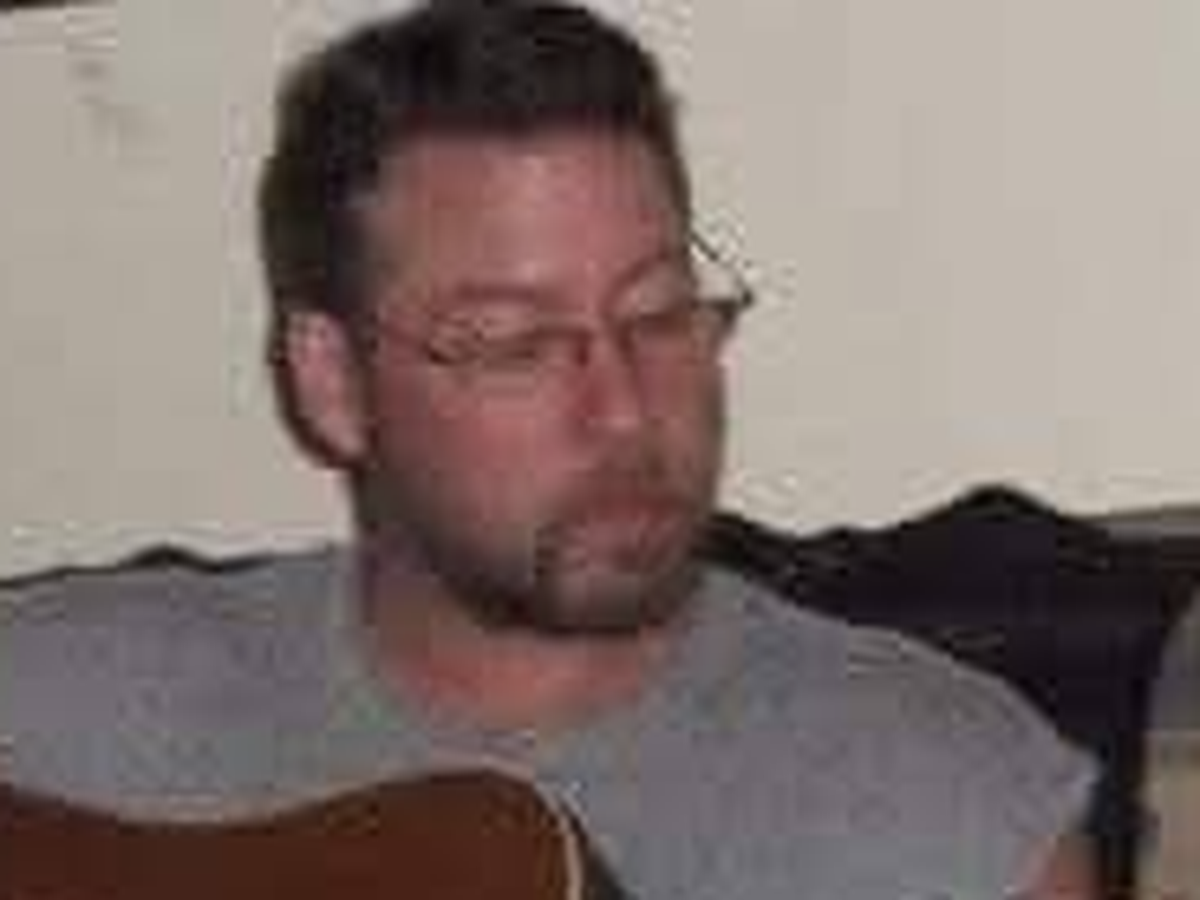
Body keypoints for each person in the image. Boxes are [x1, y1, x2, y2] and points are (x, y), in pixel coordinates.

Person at [0, 1, 1098, 897]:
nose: (624, 409)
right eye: (516, 344)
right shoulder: (64, 710)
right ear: (333, 383)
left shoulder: (944, 808)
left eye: (659, 315)